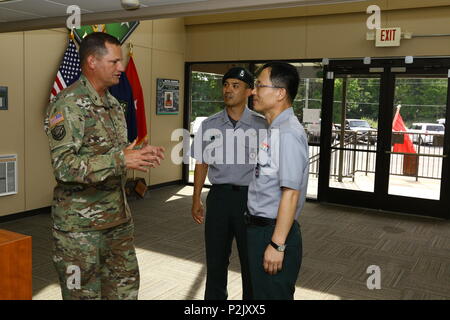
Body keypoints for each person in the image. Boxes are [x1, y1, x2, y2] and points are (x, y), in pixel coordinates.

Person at [44, 32, 165, 300]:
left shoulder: (113, 104)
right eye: (114, 62)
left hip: (117, 221)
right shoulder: (67, 105)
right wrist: (121, 159)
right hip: (80, 230)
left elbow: (112, 154)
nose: (121, 68)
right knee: (82, 295)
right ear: (92, 62)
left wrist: (137, 154)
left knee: (124, 291)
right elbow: (64, 166)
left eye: (120, 62)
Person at [191, 67, 267, 300]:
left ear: (248, 91)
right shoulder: (209, 124)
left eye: (235, 85)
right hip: (219, 198)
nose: (228, 90)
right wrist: (196, 200)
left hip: (250, 199)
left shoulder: (261, 125)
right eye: (226, 85)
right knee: (215, 260)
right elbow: (201, 164)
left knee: (250, 261)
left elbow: (269, 168)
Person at [246, 62, 309, 300]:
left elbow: (290, 193)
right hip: (262, 229)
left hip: (273, 232)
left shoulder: (288, 134)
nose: (253, 92)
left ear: (280, 93)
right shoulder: (275, 130)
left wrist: (277, 245)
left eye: (259, 86)